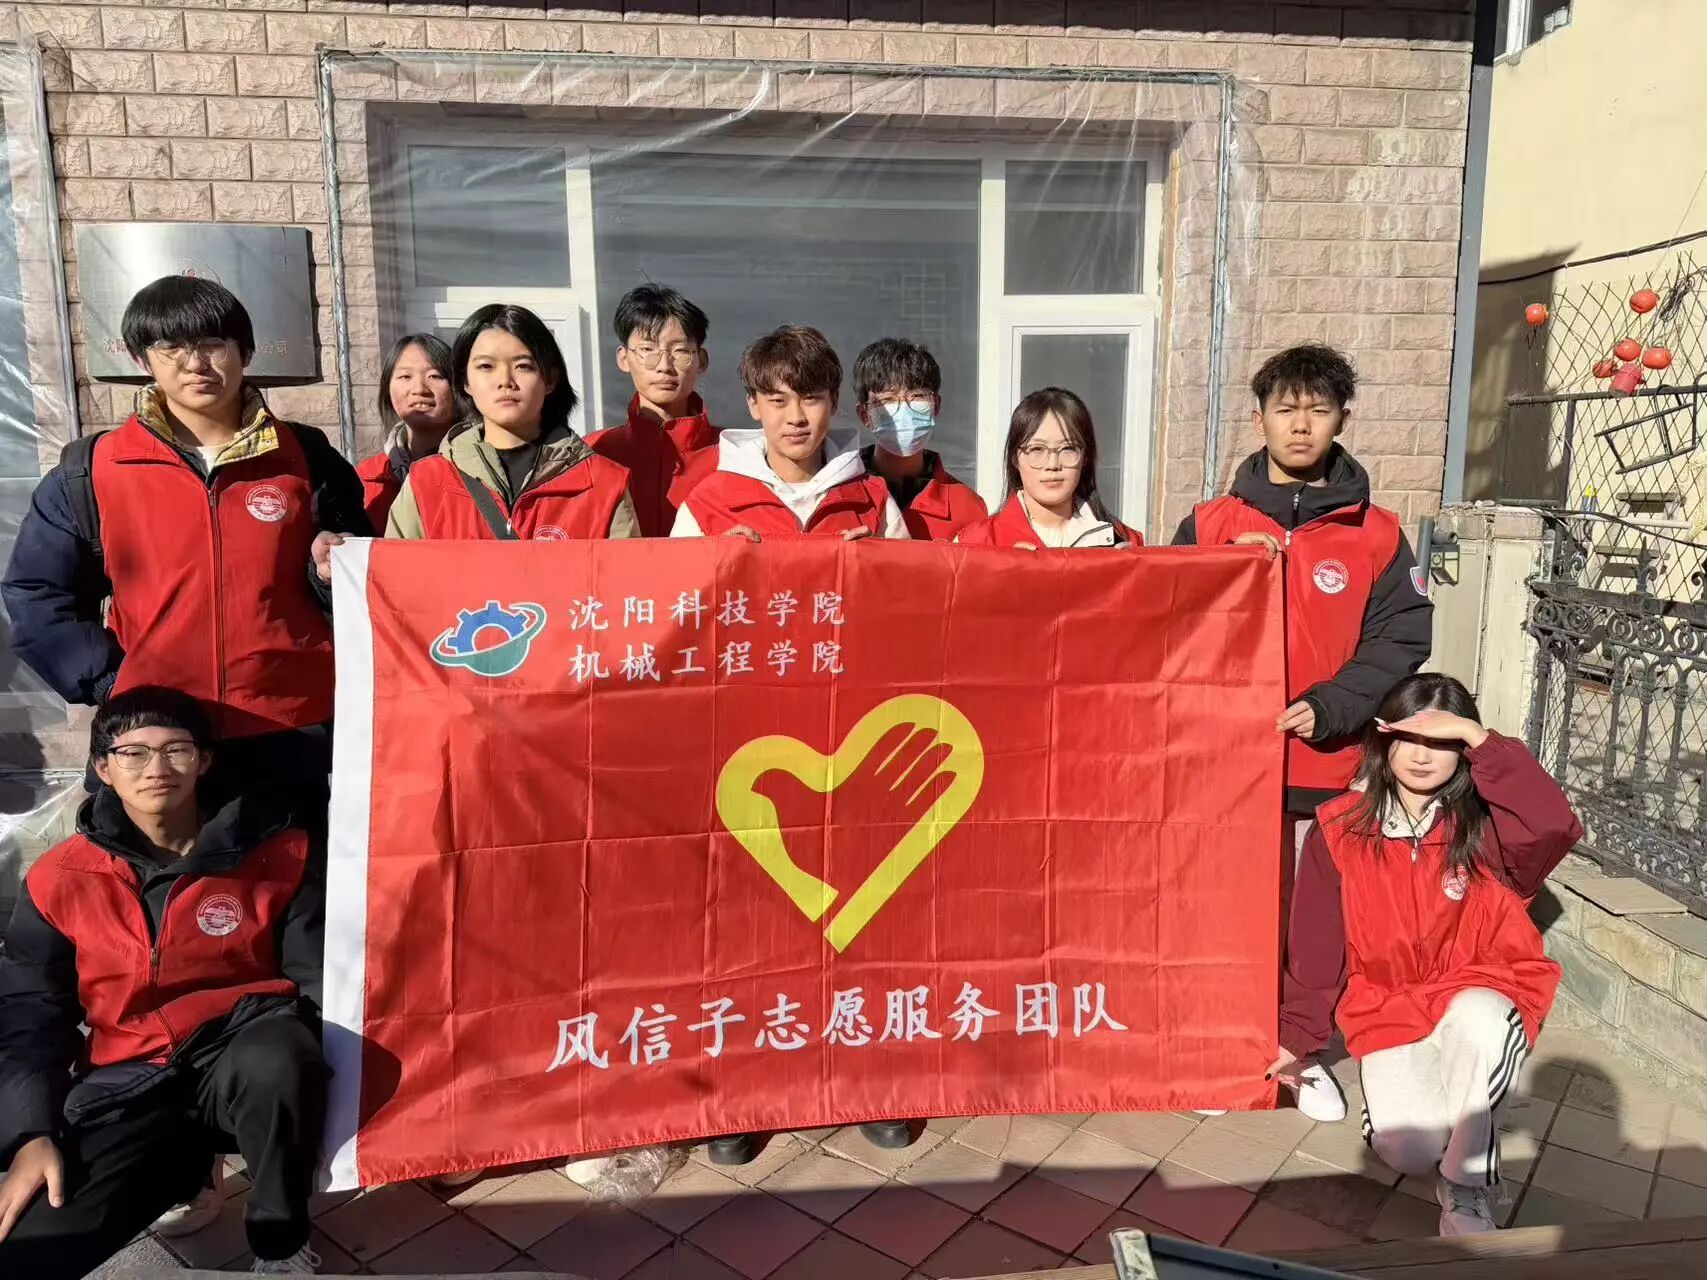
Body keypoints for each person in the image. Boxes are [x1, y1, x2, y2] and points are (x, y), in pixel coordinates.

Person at [1172, 346, 1430, 1123]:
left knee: (1312, 923)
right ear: (1257, 418)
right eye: (1285, 409)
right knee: (1225, 911)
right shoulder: (1210, 524)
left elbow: (1399, 639)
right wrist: (1217, 575)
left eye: (1317, 410)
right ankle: (1224, 1047)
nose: (1300, 424)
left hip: (1325, 762)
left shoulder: (1376, 534)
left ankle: (1299, 1050)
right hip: (1226, 761)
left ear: (1341, 419)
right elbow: (1165, 624)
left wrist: (1333, 705)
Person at [0, 275, 371, 804]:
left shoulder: (307, 458)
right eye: (170, 346)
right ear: (141, 358)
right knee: (161, 861)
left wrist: (328, 570)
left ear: (245, 352)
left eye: (213, 344)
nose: (195, 363)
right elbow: (37, 592)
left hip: (290, 727)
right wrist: (112, 683)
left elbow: (363, 578)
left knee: (293, 860)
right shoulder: (94, 469)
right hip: (155, 740)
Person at [0, 687, 327, 1277]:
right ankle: (190, 1175)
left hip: (245, 1061)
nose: (157, 768)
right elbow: (31, 1013)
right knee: (27, 1253)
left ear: (204, 760)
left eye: (176, 749)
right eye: (133, 753)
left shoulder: (279, 855)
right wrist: (30, 1132)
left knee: (279, 1056)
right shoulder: (59, 878)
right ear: (103, 768)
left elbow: (315, 982)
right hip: (134, 1081)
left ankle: (280, 1240)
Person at [1271, 674, 1582, 1236]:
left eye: (1442, 742)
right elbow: (1318, 943)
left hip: (1478, 989)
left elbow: (1554, 825)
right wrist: (1297, 1037)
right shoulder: (1339, 828)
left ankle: (1468, 1190)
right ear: (1383, 739)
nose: (1422, 756)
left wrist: (1481, 739)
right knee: (1409, 1152)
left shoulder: (1488, 827)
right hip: (1389, 1008)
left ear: (1462, 750)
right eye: (1409, 738)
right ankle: (1460, 1101)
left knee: (1482, 1022)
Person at [385, 303, 639, 542]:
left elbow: (623, 574)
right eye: (486, 366)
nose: (505, 380)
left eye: (523, 366)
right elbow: (394, 571)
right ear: (465, 382)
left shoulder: (604, 484)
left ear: (550, 380)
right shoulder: (425, 483)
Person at [672, 325, 908, 541]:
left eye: (811, 398)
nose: (796, 417)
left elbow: (909, 575)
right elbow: (676, 575)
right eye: (778, 401)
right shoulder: (707, 504)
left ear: (834, 401)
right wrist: (715, 559)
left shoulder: (874, 500)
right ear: (754, 404)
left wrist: (875, 560)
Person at [588, 284, 721, 537]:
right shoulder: (595, 452)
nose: (664, 366)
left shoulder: (732, 454)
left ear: (701, 360)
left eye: (679, 351)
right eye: (647, 350)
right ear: (624, 359)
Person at [956, 388, 1141, 548]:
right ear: (1014, 458)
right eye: (1037, 449)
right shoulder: (973, 544)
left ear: (1085, 457)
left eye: (1068, 449)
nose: (1053, 465)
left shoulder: (1126, 544)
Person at [851, 338, 986, 540]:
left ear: (935, 405)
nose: (903, 410)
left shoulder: (967, 507)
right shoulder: (839, 496)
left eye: (917, 396)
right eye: (887, 399)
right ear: (864, 415)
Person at [357, 333, 460, 530]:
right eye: (405, 377)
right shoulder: (367, 477)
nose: (419, 389)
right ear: (387, 389)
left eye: (435, 376)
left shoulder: (477, 471)